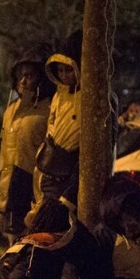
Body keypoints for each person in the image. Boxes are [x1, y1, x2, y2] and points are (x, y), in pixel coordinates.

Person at [0, 50, 54, 238]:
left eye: (29, 76)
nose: (23, 81)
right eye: (20, 76)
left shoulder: (49, 109)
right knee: (11, 245)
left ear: (40, 78)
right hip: (8, 191)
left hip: (32, 191)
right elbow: (0, 154)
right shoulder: (10, 110)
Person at [33, 31, 82, 212]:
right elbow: (51, 126)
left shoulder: (85, 99)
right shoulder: (58, 96)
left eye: (68, 70)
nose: (64, 75)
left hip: (68, 169)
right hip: (49, 165)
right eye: (60, 70)